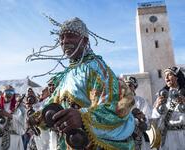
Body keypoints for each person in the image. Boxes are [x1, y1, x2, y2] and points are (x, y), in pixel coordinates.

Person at [30, 17, 136, 150]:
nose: (64, 41)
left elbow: (112, 107)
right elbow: (53, 104)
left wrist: (83, 117)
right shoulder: (67, 75)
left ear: (85, 40)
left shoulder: (95, 67)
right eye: (61, 38)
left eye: (70, 36)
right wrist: (38, 117)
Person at [152, 67, 185, 150]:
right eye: (165, 75)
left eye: (169, 74)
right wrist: (157, 107)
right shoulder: (161, 96)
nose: (166, 78)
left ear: (177, 77)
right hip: (168, 137)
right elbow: (154, 119)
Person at [0, 85, 25, 150]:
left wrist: (10, 116)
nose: (9, 94)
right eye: (7, 92)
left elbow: (22, 123)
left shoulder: (18, 108)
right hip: (0, 139)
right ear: (3, 94)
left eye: (11, 92)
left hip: (14, 139)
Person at [124, 76, 152, 150]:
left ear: (134, 87)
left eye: (130, 85)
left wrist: (142, 119)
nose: (127, 88)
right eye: (125, 86)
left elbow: (148, 121)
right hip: (122, 138)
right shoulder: (118, 103)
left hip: (138, 137)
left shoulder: (141, 101)